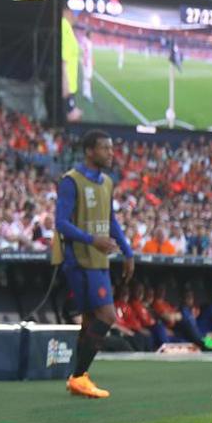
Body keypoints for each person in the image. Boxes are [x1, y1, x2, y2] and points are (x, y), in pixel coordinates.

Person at [54, 130, 135, 399]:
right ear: (90, 151)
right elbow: (61, 223)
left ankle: (79, 378)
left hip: (100, 260)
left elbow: (110, 219)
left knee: (90, 320)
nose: (111, 153)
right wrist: (92, 240)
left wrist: (127, 251)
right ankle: (78, 375)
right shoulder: (71, 181)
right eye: (106, 148)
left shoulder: (108, 182)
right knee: (107, 316)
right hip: (80, 259)